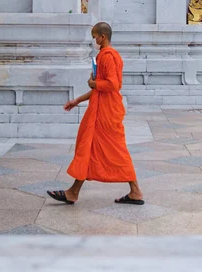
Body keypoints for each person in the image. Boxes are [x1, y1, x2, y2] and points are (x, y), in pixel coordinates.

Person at [47, 21, 144, 205]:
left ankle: (136, 191)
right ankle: (74, 191)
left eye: (94, 37)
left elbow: (112, 85)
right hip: (103, 108)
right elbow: (101, 88)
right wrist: (77, 100)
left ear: (103, 37)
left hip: (106, 113)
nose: (94, 40)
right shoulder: (108, 56)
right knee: (89, 148)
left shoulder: (107, 56)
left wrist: (94, 83)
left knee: (116, 150)